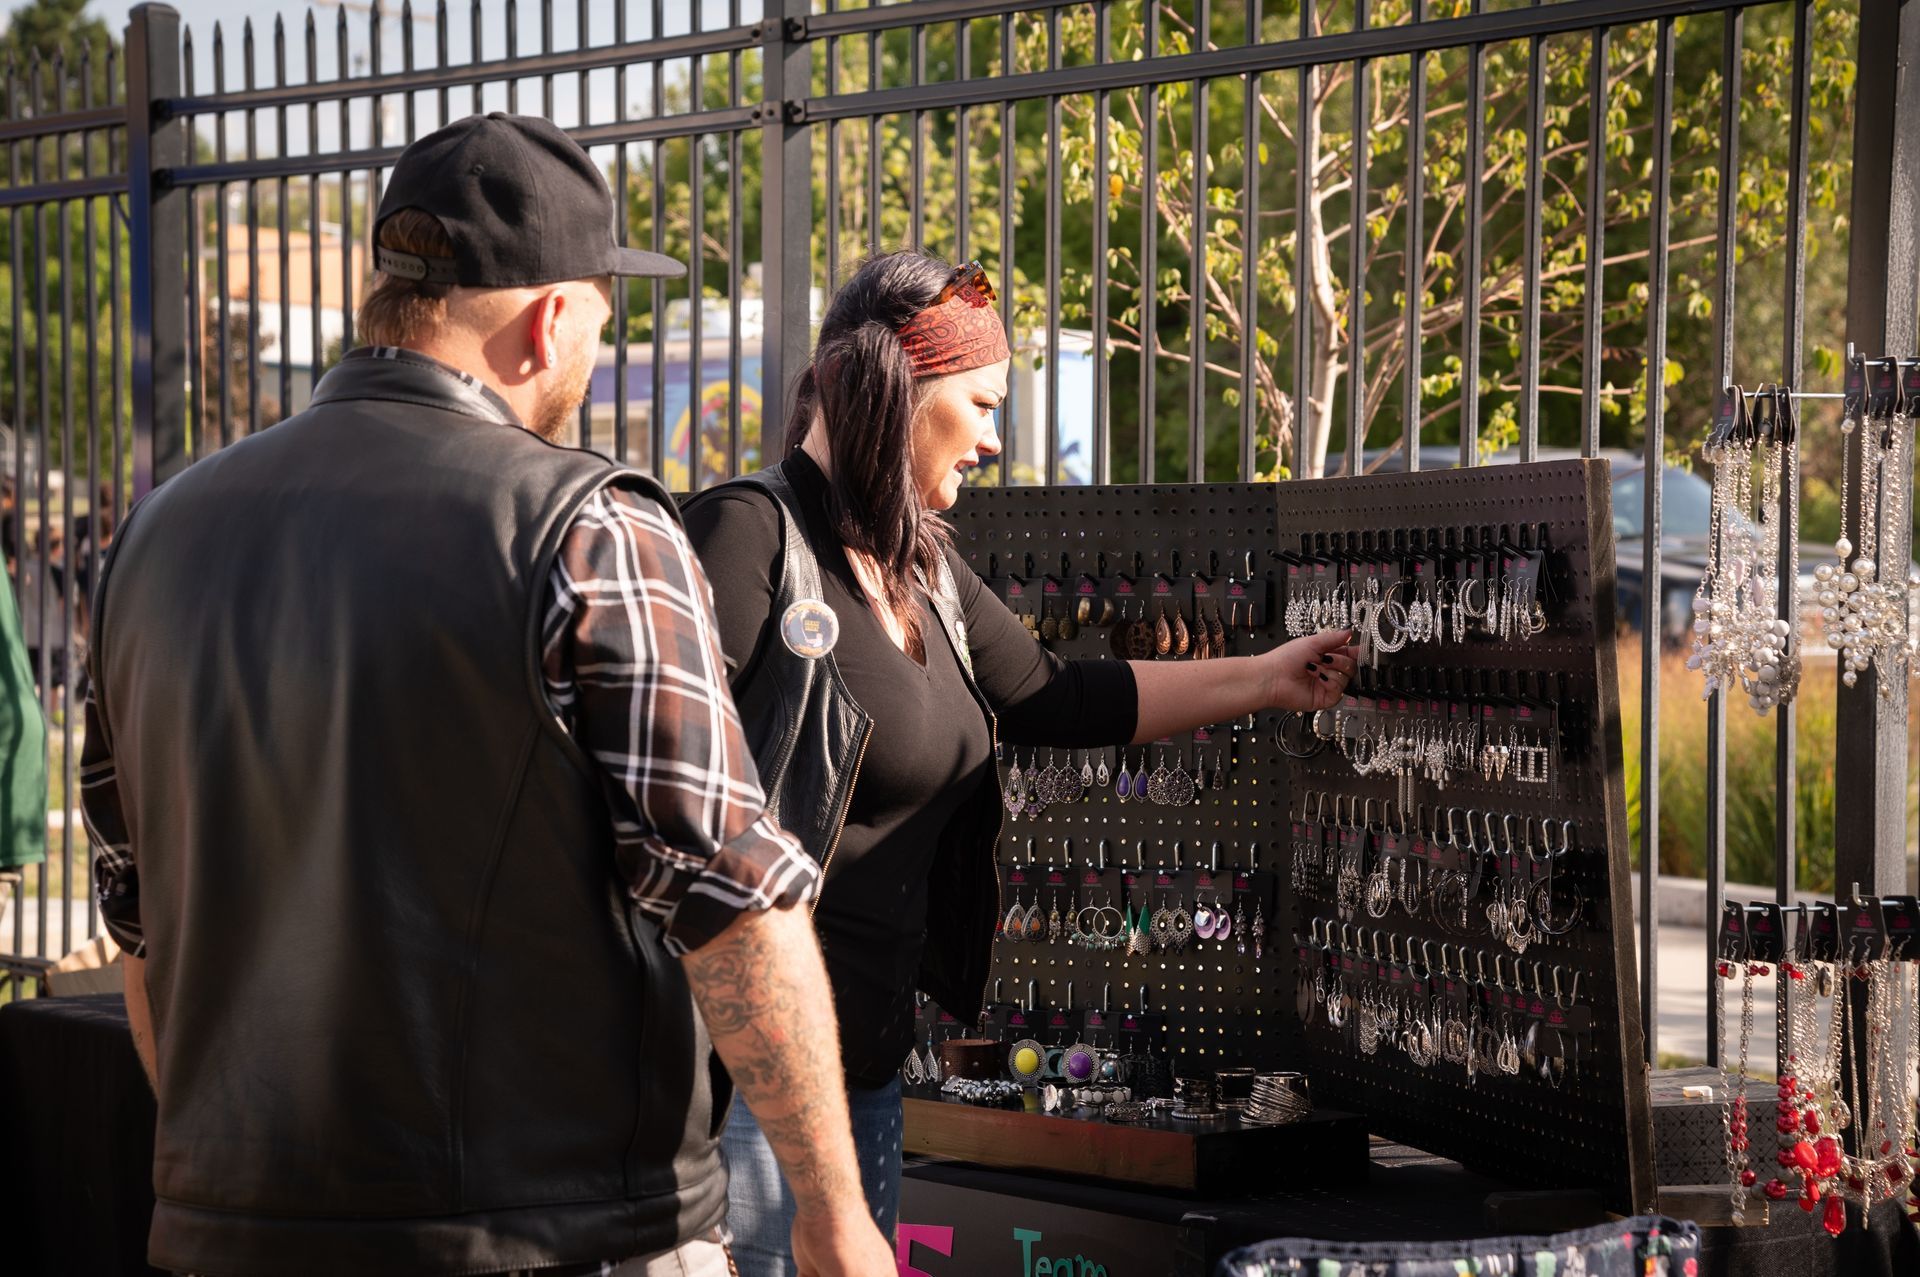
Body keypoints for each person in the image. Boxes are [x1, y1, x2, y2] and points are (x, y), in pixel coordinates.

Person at [82, 114, 891, 1277]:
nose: (594, 356)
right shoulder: (589, 523)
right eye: (602, 323)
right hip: (557, 1235)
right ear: (547, 318)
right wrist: (832, 1214)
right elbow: (731, 894)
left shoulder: (153, 540)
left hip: (231, 1231)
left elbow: (142, 924)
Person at [682, 250, 1358, 1275]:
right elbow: (661, 810)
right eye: (983, 402)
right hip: (747, 1095)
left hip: (864, 1075)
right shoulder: (746, 538)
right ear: (900, 389)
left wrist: (1267, 678)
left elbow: (1057, 694)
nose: (996, 439)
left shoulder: (923, 569)